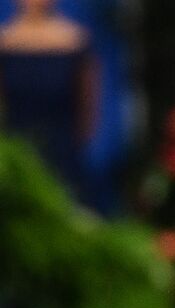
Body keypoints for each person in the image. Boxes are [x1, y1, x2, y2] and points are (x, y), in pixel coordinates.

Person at [0, 0, 98, 202]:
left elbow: (87, 107)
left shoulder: (76, 40)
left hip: (64, 154)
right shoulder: (5, 43)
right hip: (17, 153)